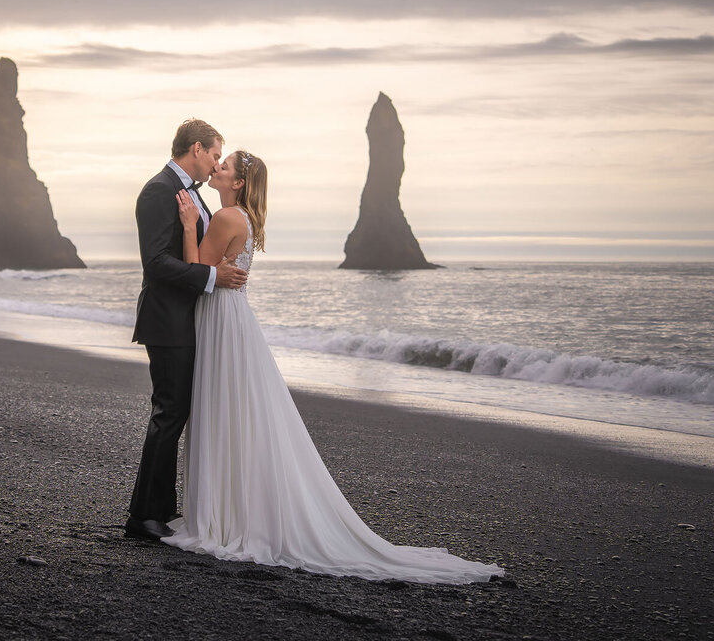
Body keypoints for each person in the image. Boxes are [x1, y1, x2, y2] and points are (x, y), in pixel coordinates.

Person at [164, 149, 505, 583]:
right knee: (235, 412)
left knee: (222, 409)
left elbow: (196, 269)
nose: (218, 167)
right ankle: (233, 509)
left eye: (225, 165)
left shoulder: (228, 219)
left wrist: (190, 225)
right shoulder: (241, 219)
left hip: (220, 319)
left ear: (238, 184)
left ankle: (225, 516)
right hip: (232, 317)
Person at [125, 119, 248, 542]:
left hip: (186, 319)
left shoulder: (193, 197)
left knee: (175, 414)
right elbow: (156, 263)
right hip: (167, 320)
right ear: (196, 149)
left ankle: (162, 507)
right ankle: (143, 516)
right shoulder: (159, 190)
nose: (216, 163)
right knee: (169, 413)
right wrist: (213, 278)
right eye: (215, 154)